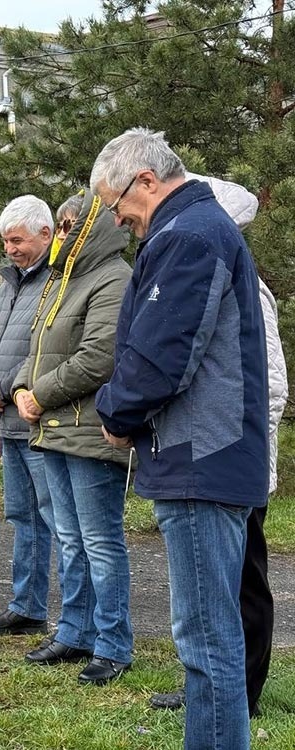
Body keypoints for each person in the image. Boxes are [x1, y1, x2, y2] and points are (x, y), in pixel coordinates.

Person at [92, 128, 268, 750]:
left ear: (146, 180)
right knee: (210, 638)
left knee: (206, 641)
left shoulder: (188, 234)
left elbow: (161, 353)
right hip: (209, 457)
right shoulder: (197, 229)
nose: (118, 220)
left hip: (201, 460)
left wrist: (117, 413)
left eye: (117, 205)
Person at [150, 174, 287, 715]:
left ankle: (243, 693)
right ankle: (213, 690)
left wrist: (245, 448)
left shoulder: (248, 287)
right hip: (219, 454)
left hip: (235, 458)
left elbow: (269, 384)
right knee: (218, 588)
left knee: (245, 579)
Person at [12, 192, 134, 685]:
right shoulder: (60, 279)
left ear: (91, 227)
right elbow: (36, 348)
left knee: (100, 541)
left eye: (68, 225)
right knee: (69, 539)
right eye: (60, 225)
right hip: (53, 428)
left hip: (90, 430)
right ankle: (74, 631)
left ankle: (113, 644)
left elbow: (99, 355)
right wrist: (20, 388)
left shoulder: (113, 278)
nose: (61, 234)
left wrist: (38, 395)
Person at [0, 196, 57, 636]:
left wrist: (2, 388)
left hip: (39, 421)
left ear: (45, 233)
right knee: (23, 517)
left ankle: (78, 620)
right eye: (5, 241)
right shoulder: (9, 283)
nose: (9, 249)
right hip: (6, 420)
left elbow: (46, 349)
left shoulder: (55, 281)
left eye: (17, 240)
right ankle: (27, 606)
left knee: (56, 520)